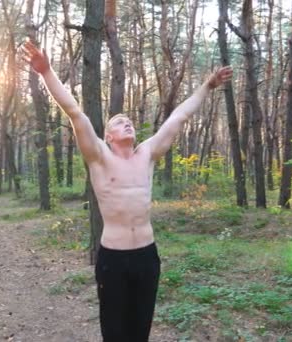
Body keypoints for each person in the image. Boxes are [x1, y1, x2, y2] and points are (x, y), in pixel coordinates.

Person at [21, 40, 232, 342]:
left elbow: (179, 117)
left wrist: (207, 86)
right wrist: (47, 72)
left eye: (130, 121)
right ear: (107, 136)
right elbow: (75, 113)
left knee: (140, 331)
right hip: (114, 260)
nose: (127, 123)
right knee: (115, 333)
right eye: (119, 123)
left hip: (148, 256)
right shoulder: (99, 157)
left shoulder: (146, 155)